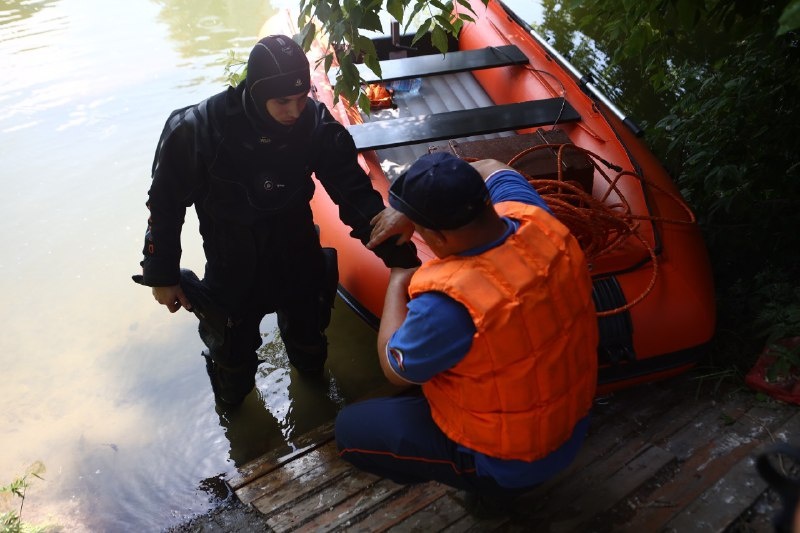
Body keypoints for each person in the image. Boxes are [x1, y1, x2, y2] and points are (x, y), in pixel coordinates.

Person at [134, 35, 419, 408]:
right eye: (282, 101)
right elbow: (165, 204)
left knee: (312, 352)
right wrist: (162, 274)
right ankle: (238, 424)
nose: (294, 111)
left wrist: (407, 263)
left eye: (301, 99)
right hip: (232, 267)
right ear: (255, 91)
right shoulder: (200, 129)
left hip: (297, 254)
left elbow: (355, 196)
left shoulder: (313, 125)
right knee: (233, 373)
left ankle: (315, 405)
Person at [335, 152, 599, 514]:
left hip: (511, 462)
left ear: (439, 236)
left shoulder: (450, 306)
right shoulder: (537, 221)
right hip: (573, 422)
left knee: (350, 431)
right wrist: (411, 211)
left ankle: (486, 489)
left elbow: (393, 369)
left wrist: (398, 281)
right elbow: (493, 165)